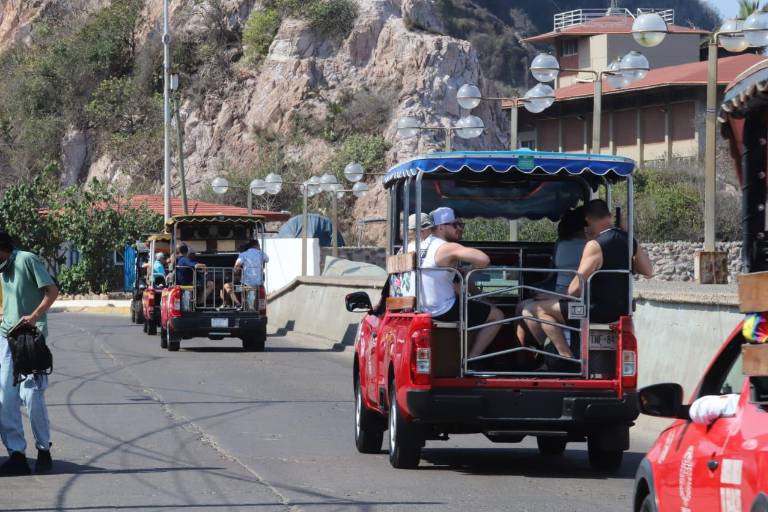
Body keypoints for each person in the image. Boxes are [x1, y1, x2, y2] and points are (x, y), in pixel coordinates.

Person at [525, 199, 653, 359]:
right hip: (619, 311)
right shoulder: (628, 241)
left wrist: (555, 297)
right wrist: (629, 234)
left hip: (592, 310)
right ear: (610, 216)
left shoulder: (595, 245)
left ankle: (565, 357)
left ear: (588, 219)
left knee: (537, 308)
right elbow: (648, 270)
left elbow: (574, 288)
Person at [0, 231, 59, 475]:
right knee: (5, 397)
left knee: (32, 396)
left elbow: (52, 291)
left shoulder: (26, 259)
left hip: (30, 338)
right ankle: (17, 454)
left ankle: (44, 449)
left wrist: (34, 318)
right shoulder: (2, 269)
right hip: (6, 337)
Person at [421, 207, 504, 359]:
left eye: (461, 225)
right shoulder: (446, 247)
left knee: (477, 307)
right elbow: (484, 259)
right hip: (441, 310)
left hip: (422, 308)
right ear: (441, 227)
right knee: (497, 315)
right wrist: (472, 267)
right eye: (455, 225)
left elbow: (455, 284)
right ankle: (472, 359)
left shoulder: (421, 245)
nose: (460, 229)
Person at [517, 207, 587, 347]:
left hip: (571, 297)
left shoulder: (586, 246)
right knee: (522, 306)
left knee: (526, 310)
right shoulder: (562, 243)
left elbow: (552, 275)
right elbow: (552, 275)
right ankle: (533, 354)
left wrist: (549, 293)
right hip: (560, 293)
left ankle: (548, 353)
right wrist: (542, 289)